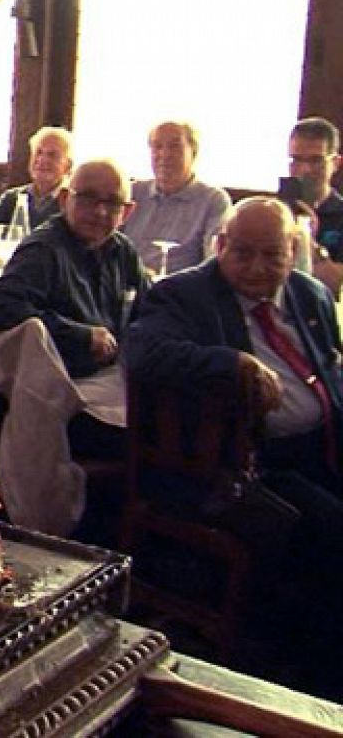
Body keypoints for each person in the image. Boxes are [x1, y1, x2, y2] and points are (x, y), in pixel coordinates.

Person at [124, 198, 343, 656]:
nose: (258, 267)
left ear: (293, 251)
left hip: (323, 448)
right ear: (220, 245)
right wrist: (230, 362)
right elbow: (144, 356)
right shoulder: (182, 295)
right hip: (245, 466)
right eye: (243, 252)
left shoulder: (310, 296)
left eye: (273, 255)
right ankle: (309, 667)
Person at [0, 159, 151, 379]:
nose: (100, 211)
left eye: (112, 203)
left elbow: (150, 307)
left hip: (113, 373)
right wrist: (82, 336)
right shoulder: (43, 249)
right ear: (63, 199)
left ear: (127, 212)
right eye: (88, 199)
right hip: (57, 382)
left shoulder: (122, 249)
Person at [120, 120, 230, 275]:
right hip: (127, 285)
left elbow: (214, 260)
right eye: (157, 147)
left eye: (174, 146)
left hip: (181, 292)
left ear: (194, 152)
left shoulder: (213, 201)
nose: (165, 154)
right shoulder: (133, 192)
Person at [0, 126, 72, 250]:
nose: (42, 160)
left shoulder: (72, 204)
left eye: (52, 155)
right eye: (38, 152)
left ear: (68, 165)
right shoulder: (11, 198)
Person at [286, 116, 343, 296]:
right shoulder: (273, 213)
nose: (305, 170)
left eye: (316, 161)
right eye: (296, 160)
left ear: (335, 163)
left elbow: (337, 287)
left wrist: (307, 240)